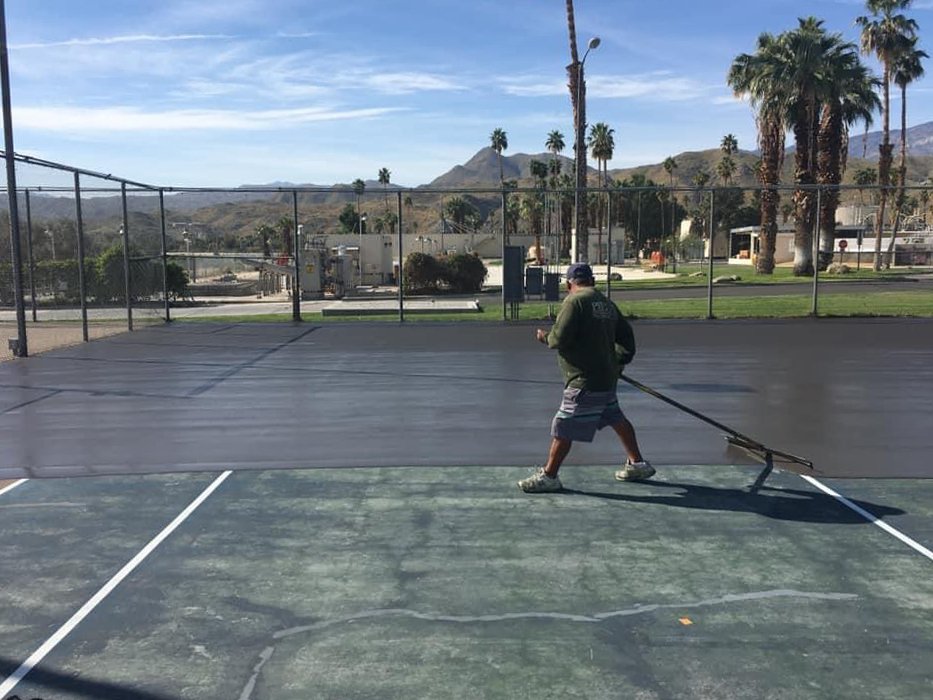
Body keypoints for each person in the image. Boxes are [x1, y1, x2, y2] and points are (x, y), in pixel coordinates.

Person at [518, 262, 654, 493]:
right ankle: (638, 463)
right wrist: (618, 362)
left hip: (584, 380)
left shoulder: (574, 301)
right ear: (592, 281)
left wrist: (545, 337)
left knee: (564, 425)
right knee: (616, 417)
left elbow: (559, 339)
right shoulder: (607, 304)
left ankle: (550, 475)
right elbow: (626, 339)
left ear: (569, 283)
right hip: (605, 378)